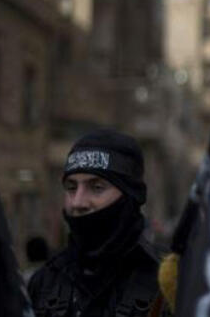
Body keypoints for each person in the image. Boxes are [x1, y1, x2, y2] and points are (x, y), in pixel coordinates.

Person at [28, 129, 166, 317]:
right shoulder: (45, 283)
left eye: (97, 187)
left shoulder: (169, 283)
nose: (78, 203)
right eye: (71, 188)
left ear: (130, 197)